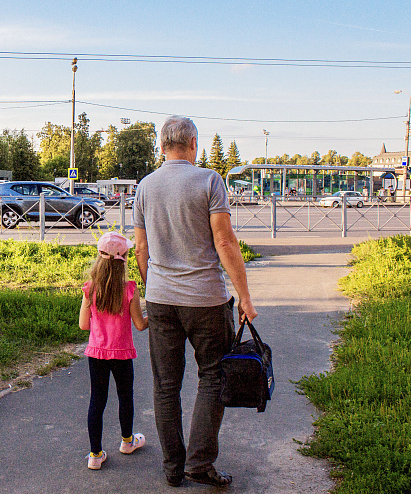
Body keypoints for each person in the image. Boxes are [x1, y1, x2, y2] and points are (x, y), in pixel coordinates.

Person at [133, 116, 257, 488]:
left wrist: (154, 286)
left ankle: (173, 468)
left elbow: (140, 248)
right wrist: (245, 297)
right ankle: (199, 463)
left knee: (165, 386)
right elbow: (225, 242)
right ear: (192, 144)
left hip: (161, 299)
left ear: (161, 146)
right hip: (206, 300)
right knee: (213, 376)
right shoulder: (209, 180)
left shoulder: (145, 186)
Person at [79, 231, 149, 470]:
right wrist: (155, 316)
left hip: (96, 353)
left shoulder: (90, 289)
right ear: (124, 259)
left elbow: (83, 325)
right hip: (122, 353)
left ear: (99, 258)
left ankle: (95, 455)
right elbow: (140, 325)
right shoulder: (129, 289)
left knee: (97, 401)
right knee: (125, 396)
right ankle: (127, 442)